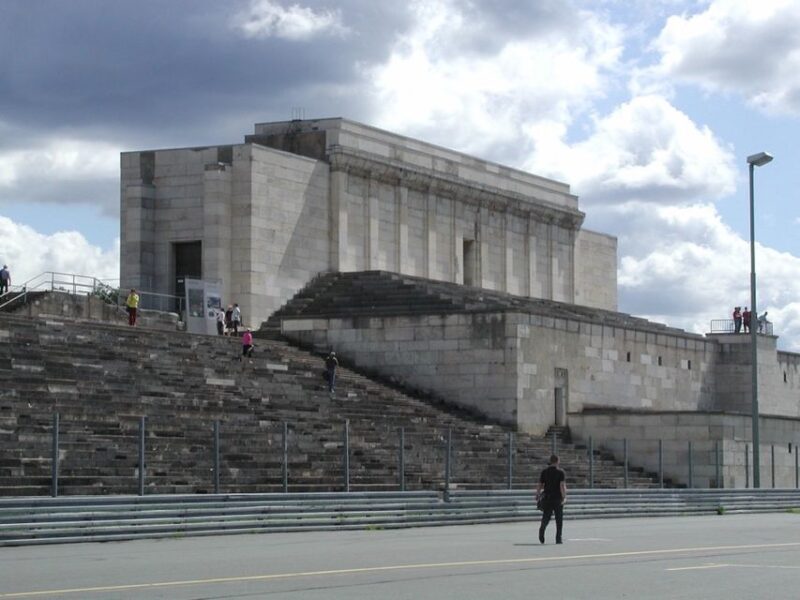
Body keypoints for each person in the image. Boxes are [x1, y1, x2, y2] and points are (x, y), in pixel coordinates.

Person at [536, 454, 566, 544]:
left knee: (546, 516)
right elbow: (562, 486)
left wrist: (537, 494)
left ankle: (542, 527)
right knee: (559, 519)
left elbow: (540, 484)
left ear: (550, 461)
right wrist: (564, 497)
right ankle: (558, 538)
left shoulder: (544, 472)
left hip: (547, 498)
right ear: (558, 461)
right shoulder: (561, 472)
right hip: (557, 498)